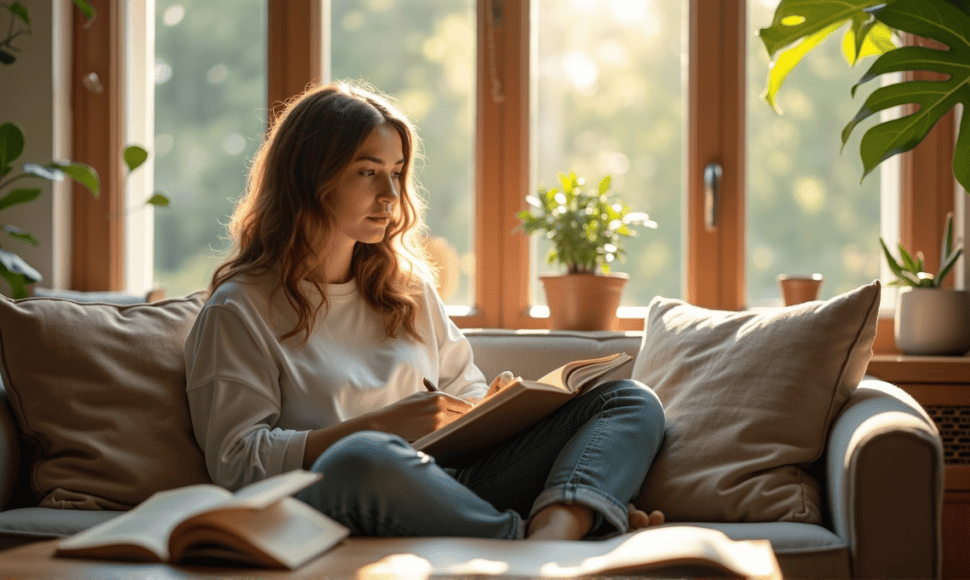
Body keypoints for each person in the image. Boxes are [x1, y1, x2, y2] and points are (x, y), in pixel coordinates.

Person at [184, 81, 666, 541]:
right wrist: (379, 426)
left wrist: (492, 408)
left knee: (628, 400)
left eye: (396, 174)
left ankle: (557, 525)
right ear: (310, 179)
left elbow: (464, 386)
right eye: (368, 172)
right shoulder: (239, 310)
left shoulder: (406, 287)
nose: (391, 197)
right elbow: (236, 460)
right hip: (348, 488)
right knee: (364, 456)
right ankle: (545, 533)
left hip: (454, 484)